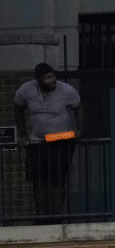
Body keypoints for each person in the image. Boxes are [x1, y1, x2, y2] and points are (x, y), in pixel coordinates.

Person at [13, 63, 83, 216]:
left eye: (52, 77)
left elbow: (78, 107)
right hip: (38, 142)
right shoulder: (26, 90)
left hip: (61, 140)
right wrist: (23, 134)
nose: (51, 81)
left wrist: (79, 130)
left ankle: (57, 215)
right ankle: (41, 216)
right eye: (46, 78)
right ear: (38, 80)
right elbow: (18, 107)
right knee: (39, 181)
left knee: (58, 180)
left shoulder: (67, 90)